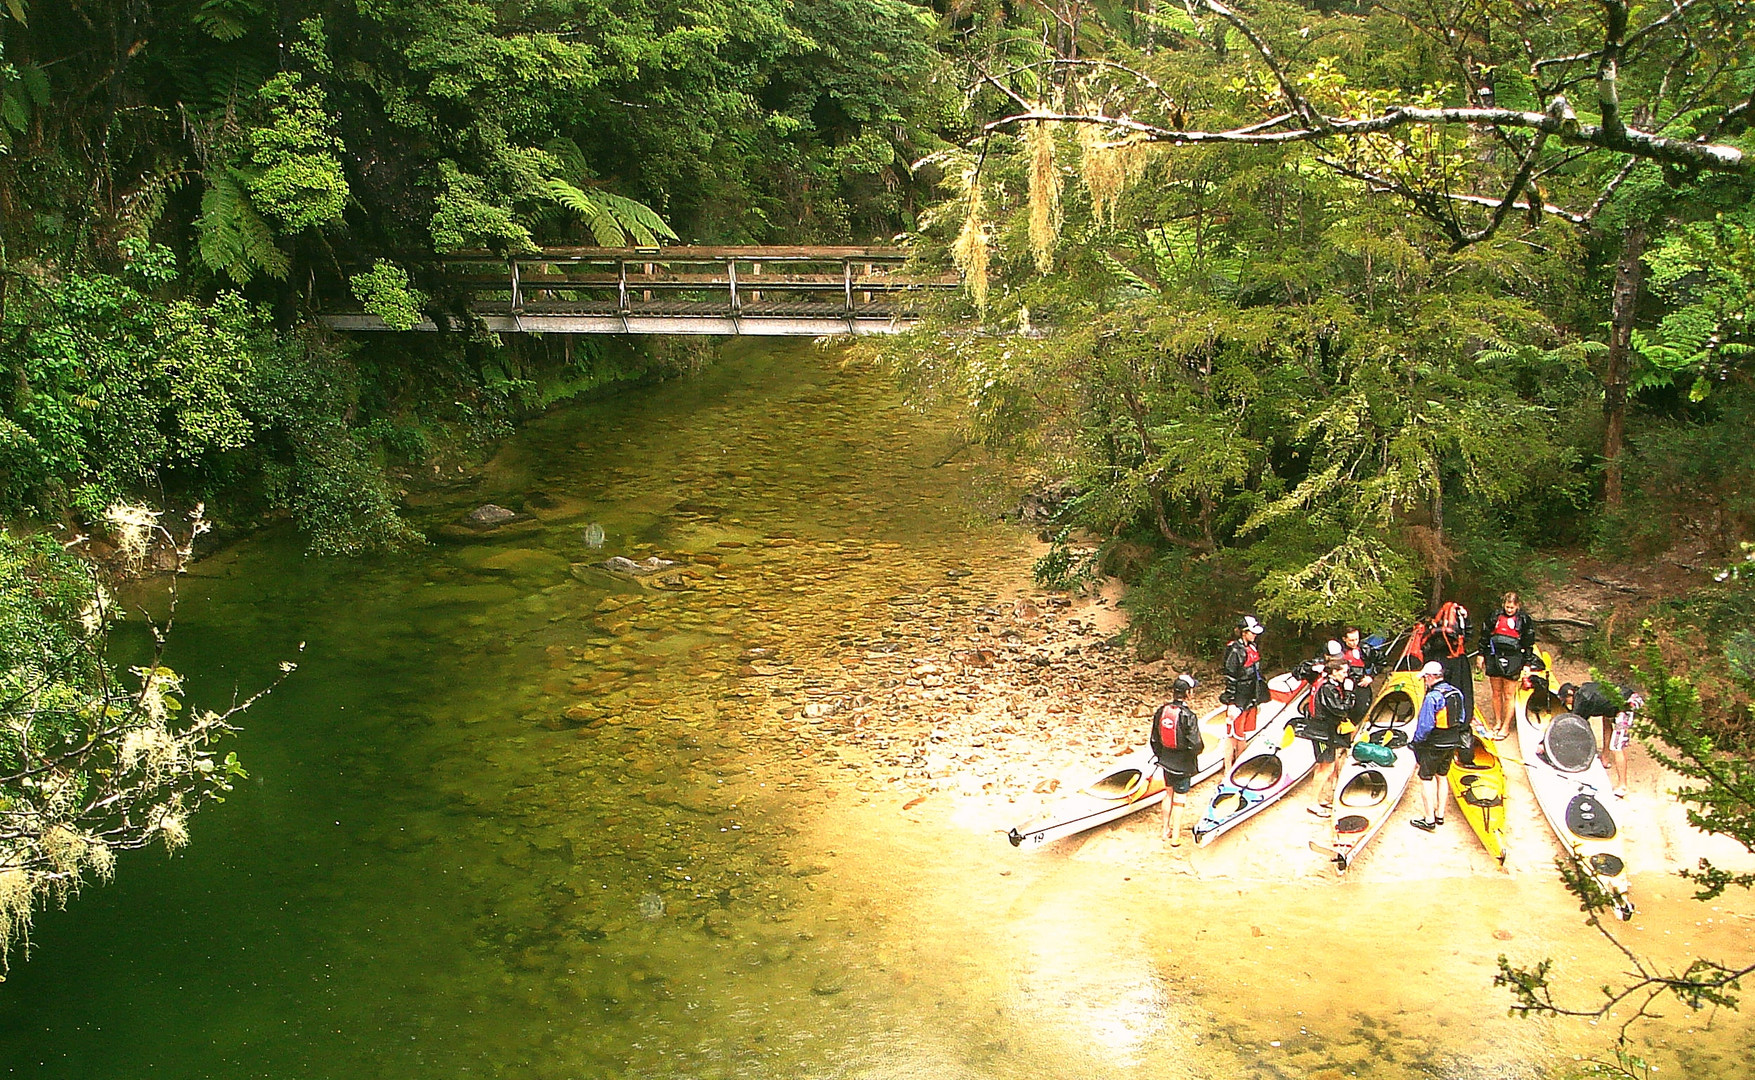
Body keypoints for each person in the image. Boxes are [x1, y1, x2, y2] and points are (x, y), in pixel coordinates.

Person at [1409, 660, 1468, 831]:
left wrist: (1416, 742)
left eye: (1424, 678)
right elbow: (1462, 717)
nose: (1424, 682)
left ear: (1430, 677)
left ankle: (1429, 820)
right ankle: (1440, 814)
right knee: (1442, 776)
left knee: (1425, 778)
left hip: (1435, 743)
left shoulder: (1433, 697)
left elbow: (1426, 725)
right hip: (1452, 740)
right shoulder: (1456, 692)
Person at [1149, 673, 1205, 845]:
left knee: (1168, 793)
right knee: (1180, 798)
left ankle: (1165, 829)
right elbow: (1196, 744)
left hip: (1166, 760)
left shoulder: (1161, 711)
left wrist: (1162, 756)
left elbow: (1154, 739)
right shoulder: (1188, 715)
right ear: (1188, 693)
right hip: (1182, 763)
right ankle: (1175, 836)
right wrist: (1192, 756)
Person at [1299, 656, 1356, 818]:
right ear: (1334, 672)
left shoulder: (1325, 683)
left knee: (1324, 765)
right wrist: (1350, 693)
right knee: (1327, 767)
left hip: (1324, 730)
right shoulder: (1328, 688)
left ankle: (1320, 798)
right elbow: (1341, 709)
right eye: (1343, 672)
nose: (1346, 675)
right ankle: (1313, 803)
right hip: (1322, 732)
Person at [1477, 592, 1535, 739]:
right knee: (1496, 692)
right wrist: (1481, 654)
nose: (1509, 610)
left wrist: (1527, 663)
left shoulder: (1524, 619)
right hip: (1494, 655)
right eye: (1507, 607)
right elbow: (1485, 635)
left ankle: (1505, 726)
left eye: (1512, 607)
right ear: (1503, 605)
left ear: (1517, 606)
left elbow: (1528, 643)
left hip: (1514, 657)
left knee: (1508, 694)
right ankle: (1497, 721)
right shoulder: (1494, 616)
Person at [1557, 680, 1638, 780]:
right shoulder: (1584, 689)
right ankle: (1605, 757)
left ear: (1570, 694)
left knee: (1616, 746)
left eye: (1565, 701)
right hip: (1619, 699)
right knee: (1606, 719)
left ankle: (1622, 785)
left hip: (1628, 703)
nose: (1567, 704)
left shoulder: (1582, 700)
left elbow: (1573, 725)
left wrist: (1547, 742)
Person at [1220, 615, 1268, 772]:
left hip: (1250, 697)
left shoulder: (1252, 647)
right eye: (1252, 632)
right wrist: (1232, 702)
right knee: (1232, 735)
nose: (1255, 635)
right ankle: (1228, 768)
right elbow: (1230, 677)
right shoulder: (1235, 650)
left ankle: (1239, 765)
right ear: (1244, 632)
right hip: (1239, 699)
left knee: (1242, 734)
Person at [1429, 601, 1475, 729]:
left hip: (1445, 661)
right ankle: (1460, 721)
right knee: (1458, 692)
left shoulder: (1435, 627)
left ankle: (1447, 721)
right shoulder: (1451, 627)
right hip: (1453, 662)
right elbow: (1468, 636)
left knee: (1444, 691)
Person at [1338, 626, 1384, 725]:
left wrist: (1371, 676)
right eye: (1351, 640)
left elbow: (1381, 661)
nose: (1355, 643)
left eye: (1356, 639)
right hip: (1341, 684)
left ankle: (1352, 730)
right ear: (1344, 639)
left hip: (1360, 684)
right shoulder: (1338, 651)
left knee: (1360, 711)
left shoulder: (1365, 648)